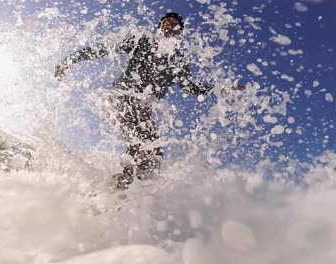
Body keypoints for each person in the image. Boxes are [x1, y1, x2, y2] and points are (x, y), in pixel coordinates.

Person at [55, 12, 244, 189]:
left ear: (180, 34)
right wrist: (71, 61)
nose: (170, 28)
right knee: (143, 139)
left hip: (143, 107)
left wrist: (220, 90)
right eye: (165, 25)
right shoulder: (142, 41)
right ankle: (123, 178)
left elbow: (191, 87)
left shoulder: (178, 61)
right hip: (121, 98)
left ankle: (139, 190)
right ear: (159, 28)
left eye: (175, 26)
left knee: (155, 148)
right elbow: (104, 49)